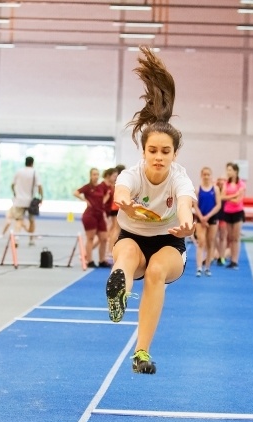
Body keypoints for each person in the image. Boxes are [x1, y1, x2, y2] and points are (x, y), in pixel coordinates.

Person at [105, 46, 196, 375]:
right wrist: (124, 202)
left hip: (169, 242)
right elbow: (121, 191)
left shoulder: (179, 178)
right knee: (126, 257)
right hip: (132, 234)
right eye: (153, 150)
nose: (159, 156)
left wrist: (186, 226)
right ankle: (119, 294)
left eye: (165, 151)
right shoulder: (132, 174)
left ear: (174, 153)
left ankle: (141, 351)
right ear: (143, 152)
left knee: (157, 271)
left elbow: (185, 206)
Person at [74, 167, 111, 268]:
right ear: (90, 176)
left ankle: (102, 260)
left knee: (104, 238)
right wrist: (84, 200)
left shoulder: (101, 187)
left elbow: (107, 194)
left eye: (97, 174)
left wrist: (105, 200)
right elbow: (76, 192)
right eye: (94, 174)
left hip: (100, 214)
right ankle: (89, 260)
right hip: (90, 215)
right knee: (90, 238)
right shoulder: (87, 187)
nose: (96, 176)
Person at [193, 167, 221, 277]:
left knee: (210, 243)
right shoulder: (198, 189)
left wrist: (208, 216)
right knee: (201, 242)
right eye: (204, 174)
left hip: (212, 218)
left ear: (211, 176)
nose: (206, 176)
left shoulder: (215, 189)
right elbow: (195, 204)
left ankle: (208, 267)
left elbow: (218, 204)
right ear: (201, 175)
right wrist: (202, 217)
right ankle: (199, 267)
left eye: (208, 174)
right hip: (201, 218)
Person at [219, 162, 246, 269]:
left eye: (230, 170)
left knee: (236, 237)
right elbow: (221, 197)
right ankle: (231, 261)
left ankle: (235, 260)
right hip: (227, 212)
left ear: (236, 171)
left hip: (238, 212)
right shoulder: (226, 183)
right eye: (227, 170)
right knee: (230, 237)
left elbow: (238, 200)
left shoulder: (241, 184)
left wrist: (228, 196)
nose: (228, 172)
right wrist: (234, 195)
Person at [11, 156, 42, 246]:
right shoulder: (34, 172)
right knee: (31, 220)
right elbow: (39, 186)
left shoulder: (19, 171)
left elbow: (12, 185)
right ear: (32, 163)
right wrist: (41, 197)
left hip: (19, 200)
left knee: (19, 220)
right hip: (31, 201)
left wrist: (15, 193)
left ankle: (16, 238)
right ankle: (31, 239)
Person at [103, 167, 121, 263]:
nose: (116, 177)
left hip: (114, 208)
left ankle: (108, 250)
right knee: (115, 229)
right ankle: (110, 251)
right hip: (116, 208)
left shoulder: (112, 186)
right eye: (114, 176)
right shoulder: (114, 186)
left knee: (112, 229)